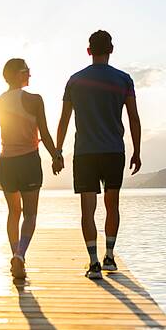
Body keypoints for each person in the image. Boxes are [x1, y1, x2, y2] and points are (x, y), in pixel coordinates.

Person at [56, 30, 141, 280]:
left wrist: (58, 151)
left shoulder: (74, 81)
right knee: (112, 205)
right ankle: (110, 257)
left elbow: (64, 120)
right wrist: (137, 151)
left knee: (87, 210)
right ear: (111, 50)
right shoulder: (124, 80)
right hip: (114, 151)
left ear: (89, 51)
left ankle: (93, 263)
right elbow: (133, 118)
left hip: (85, 153)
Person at [0, 58, 63, 279]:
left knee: (13, 212)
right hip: (29, 161)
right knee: (30, 213)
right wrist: (56, 156)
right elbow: (45, 133)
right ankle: (20, 255)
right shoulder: (35, 100)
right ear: (19, 74)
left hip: (6, 163)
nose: (30, 74)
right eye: (27, 71)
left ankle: (15, 254)